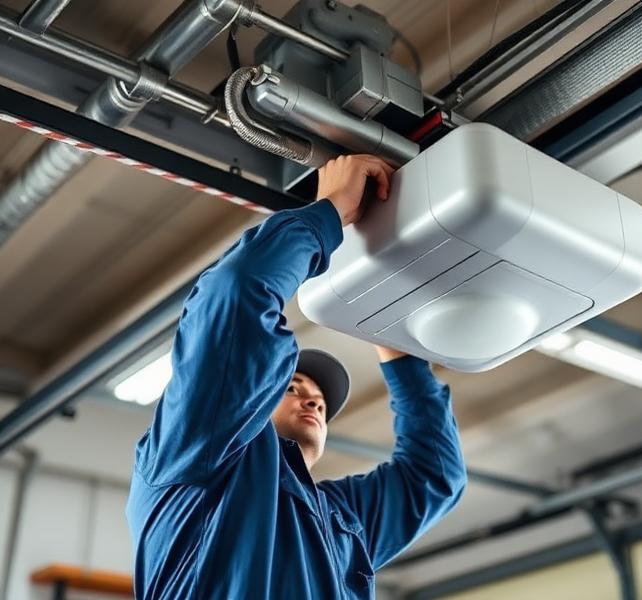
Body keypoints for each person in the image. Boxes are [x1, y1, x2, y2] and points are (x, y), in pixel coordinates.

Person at [126, 154, 467, 599]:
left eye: (320, 401)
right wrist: (329, 210)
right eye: (293, 387)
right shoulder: (195, 460)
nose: (313, 401)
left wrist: (393, 343)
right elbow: (235, 293)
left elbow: (433, 476)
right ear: (251, 400)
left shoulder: (338, 519)